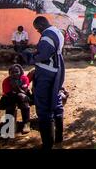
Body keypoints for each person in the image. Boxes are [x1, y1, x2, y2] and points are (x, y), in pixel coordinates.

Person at [22, 16, 65, 149]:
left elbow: (43, 55)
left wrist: (29, 56)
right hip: (56, 69)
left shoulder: (47, 35)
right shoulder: (57, 32)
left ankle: (48, 143)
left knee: (43, 106)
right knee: (56, 99)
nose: (38, 32)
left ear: (40, 26)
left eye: (37, 29)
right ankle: (58, 137)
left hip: (46, 73)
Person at [0, 64, 31, 134]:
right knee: (10, 106)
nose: (14, 74)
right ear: (9, 73)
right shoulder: (6, 81)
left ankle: (26, 123)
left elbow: (25, 91)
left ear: (21, 72)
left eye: (16, 72)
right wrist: (20, 92)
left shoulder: (24, 79)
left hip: (21, 97)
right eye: (12, 72)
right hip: (9, 97)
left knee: (25, 103)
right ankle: (9, 125)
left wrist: (17, 88)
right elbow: (9, 94)